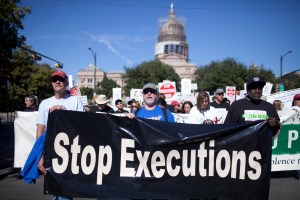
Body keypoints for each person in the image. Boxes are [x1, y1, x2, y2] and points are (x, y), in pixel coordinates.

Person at [36, 70, 85, 200]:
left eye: (61, 79)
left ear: (66, 83)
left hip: (70, 151)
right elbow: (40, 130)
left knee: (66, 191)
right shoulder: (44, 103)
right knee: (54, 190)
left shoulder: (75, 101)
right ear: (52, 83)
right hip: (50, 152)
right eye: (54, 80)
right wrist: (39, 156)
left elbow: (82, 125)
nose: (57, 82)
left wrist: (62, 112)